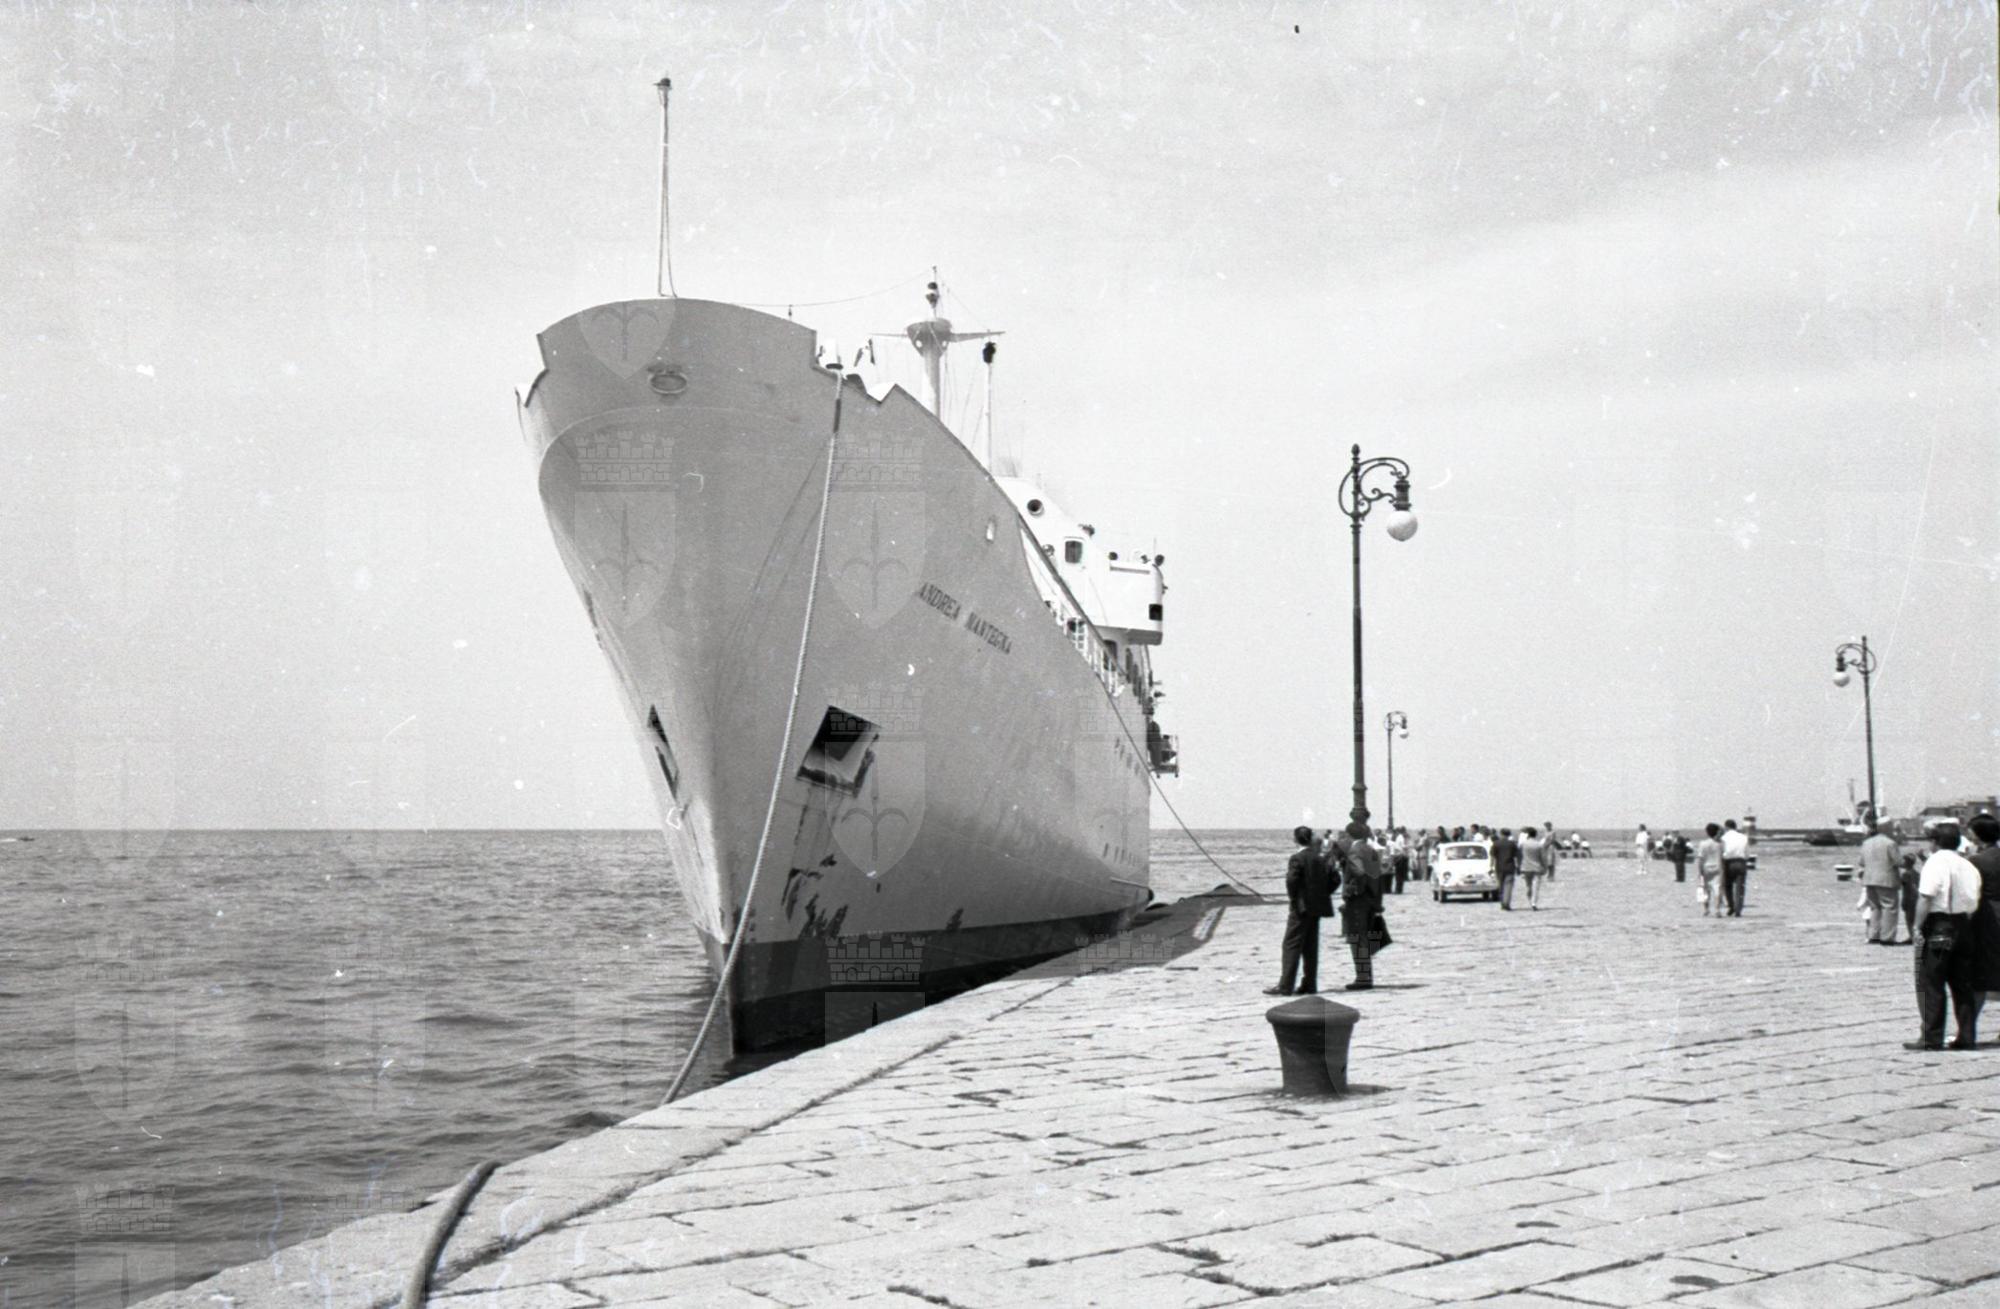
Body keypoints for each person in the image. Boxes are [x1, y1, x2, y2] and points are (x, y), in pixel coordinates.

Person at [1909, 822, 1983, 1051]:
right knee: (1962, 985)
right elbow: (1974, 899)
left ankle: (1931, 1037)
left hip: (1939, 924)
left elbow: (1926, 896)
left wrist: (1917, 926)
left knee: (1931, 982)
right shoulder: (1968, 865)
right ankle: (1967, 1036)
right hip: (1964, 924)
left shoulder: (1935, 862)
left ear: (1934, 841)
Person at [1266, 825, 1335, 996]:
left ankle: (1286, 985)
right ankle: (1309, 984)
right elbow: (1335, 878)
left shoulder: (1297, 858)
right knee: (1311, 947)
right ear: (1310, 839)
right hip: (1317, 907)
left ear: (1295, 840)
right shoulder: (1320, 858)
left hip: (1301, 907)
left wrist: (1294, 898)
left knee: (1291, 945)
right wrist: (1322, 894)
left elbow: (1291, 880)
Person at [1956, 813, 2000, 1044]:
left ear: (1978, 835)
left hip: (1987, 919)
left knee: (1978, 977)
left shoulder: (1976, 861)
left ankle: (1967, 1029)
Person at [1336, 820, 1385, 990]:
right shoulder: (1371, 850)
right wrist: (1376, 900)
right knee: (1364, 938)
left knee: (1357, 939)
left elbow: (1359, 871)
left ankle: (1363, 977)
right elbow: (1377, 876)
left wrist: (1352, 890)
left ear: (1349, 835)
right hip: (1370, 900)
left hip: (1358, 901)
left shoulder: (1354, 850)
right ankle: (1366, 976)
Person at [1857, 820, 1902, 945]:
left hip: (1869, 879)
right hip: (1886, 880)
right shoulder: (1890, 843)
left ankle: (1873, 935)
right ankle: (1887, 938)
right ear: (1886, 828)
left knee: (1875, 907)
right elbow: (1899, 862)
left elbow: (1861, 862)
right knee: (1889, 908)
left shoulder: (1866, 843)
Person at [1719, 819, 1751, 916]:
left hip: (1728, 863)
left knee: (1727, 886)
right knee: (1740, 887)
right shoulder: (1743, 837)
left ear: (1726, 827)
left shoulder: (1724, 838)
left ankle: (1731, 905)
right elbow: (1747, 853)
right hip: (1741, 862)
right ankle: (1738, 909)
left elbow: (1721, 851)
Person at [1695, 822, 1724, 916]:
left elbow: (1700, 858)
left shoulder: (1703, 844)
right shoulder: (1719, 844)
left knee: (1705, 889)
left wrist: (1700, 871)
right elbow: (1723, 857)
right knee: (1717, 888)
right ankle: (1717, 909)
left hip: (1706, 868)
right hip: (1717, 867)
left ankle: (1706, 909)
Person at [1519, 826, 1550, 909]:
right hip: (1537, 867)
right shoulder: (1539, 845)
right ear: (1535, 835)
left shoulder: (1523, 844)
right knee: (1536, 886)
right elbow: (1543, 857)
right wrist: (1545, 867)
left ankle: (1529, 900)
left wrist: (1519, 866)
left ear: (1528, 835)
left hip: (1526, 867)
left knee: (1528, 886)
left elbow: (1520, 856)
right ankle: (1534, 903)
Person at [1494, 827, 1520, 910]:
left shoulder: (1496, 843)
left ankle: (1502, 902)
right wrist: (1518, 867)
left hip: (1499, 867)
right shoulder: (1512, 844)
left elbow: (1493, 856)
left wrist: (1491, 866)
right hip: (1510, 866)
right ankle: (1506, 903)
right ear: (1509, 835)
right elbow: (1517, 856)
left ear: (1501, 834)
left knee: (1500, 886)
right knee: (1508, 886)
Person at [1389, 828, 1410, 895]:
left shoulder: (1399, 838)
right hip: (1401, 856)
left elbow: (1402, 847)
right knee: (1400, 874)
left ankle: (1398, 889)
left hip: (1400, 857)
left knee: (1398, 874)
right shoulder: (1400, 838)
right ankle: (1399, 889)